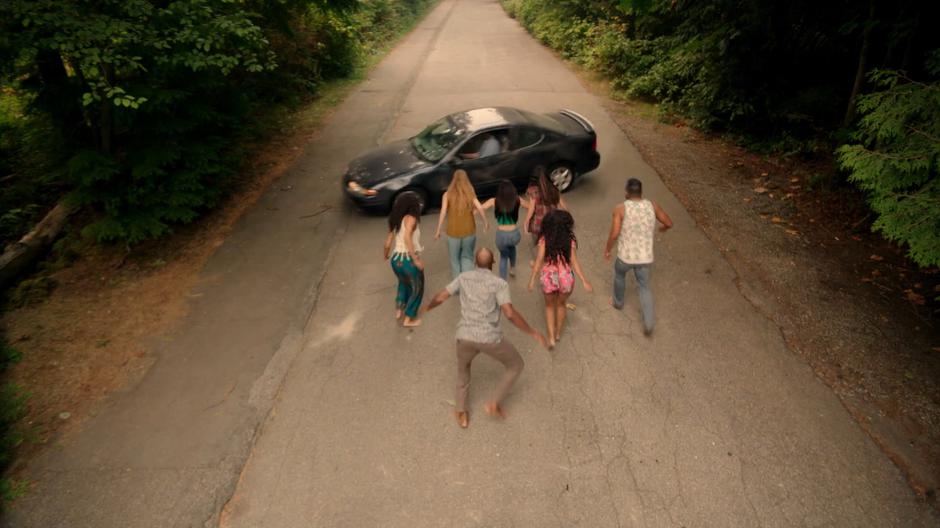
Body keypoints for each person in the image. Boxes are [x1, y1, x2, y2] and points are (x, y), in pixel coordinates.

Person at [425, 248, 547, 428]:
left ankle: (462, 413)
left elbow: (442, 296)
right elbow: (510, 313)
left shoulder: (463, 277)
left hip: (464, 336)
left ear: (475, 262)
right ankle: (493, 402)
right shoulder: (499, 284)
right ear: (493, 263)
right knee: (516, 365)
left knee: (463, 370)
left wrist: (427, 308)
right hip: (489, 338)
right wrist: (532, 332)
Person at [603, 178, 673, 336]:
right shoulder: (652, 206)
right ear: (641, 192)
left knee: (619, 275)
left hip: (625, 257)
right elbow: (669, 222)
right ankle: (648, 323)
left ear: (626, 193)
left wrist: (607, 249)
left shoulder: (620, 208)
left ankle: (618, 302)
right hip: (644, 258)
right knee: (644, 287)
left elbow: (614, 234)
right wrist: (662, 229)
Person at [528, 210, 592, 348]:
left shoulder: (544, 239)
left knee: (550, 306)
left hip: (548, 278)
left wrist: (532, 279)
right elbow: (574, 262)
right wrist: (584, 280)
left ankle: (550, 338)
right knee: (561, 304)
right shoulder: (570, 240)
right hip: (566, 278)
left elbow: (539, 260)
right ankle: (557, 334)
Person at [435, 169, 489, 278]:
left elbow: (443, 212)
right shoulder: (470, 192)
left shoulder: (447, 195)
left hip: (452, 232)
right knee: (467, 257)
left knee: (454, 260)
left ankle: (458, 286)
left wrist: (438, 230)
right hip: (469, 231)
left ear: (453, 180)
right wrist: (485, 222)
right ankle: (467, 281)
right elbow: (479, 207)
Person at [383, 192, 426, 327]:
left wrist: (385, 254)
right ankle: (408, 318)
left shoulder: (395, 219)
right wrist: (416, 259)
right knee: (417, 288)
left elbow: (388, 243)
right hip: (408, 260)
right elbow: (407, 238)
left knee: (403, 283)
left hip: (396, 260)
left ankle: (399, 310)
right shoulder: (410, 218)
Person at [480, 180, 530, 280]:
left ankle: (503, 281)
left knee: (503, 256)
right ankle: (512, 268)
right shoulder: (517, 200)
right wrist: (526, 222)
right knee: (512, 248)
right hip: (514, 235)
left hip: (501, 236)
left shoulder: (494, 201)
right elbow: (531, 206)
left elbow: (480, 208)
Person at [523, 166, 568, 252]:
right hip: (553, 220)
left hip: (539, 224)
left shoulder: (532, 190)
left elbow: (531, 209)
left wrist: (526, 221)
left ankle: (543, 256)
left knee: (541, 244)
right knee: (553, 242)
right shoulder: (552, 187)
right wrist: (566, 216)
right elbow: (561, 205)